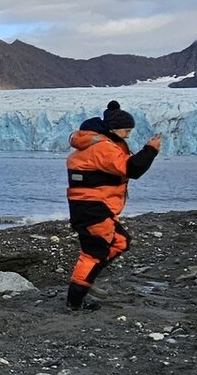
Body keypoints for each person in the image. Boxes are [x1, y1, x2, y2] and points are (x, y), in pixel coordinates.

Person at [65, 101, 162, 310]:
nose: (128, 135)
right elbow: (132, 169)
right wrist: (150, 150)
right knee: (93, 254)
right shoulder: (102, 148)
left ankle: (86, 281)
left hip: (93, 207)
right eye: (126, 130)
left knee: (120, 242)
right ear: (114, 128)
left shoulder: (95, 144)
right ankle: (74, 302)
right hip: (94, 207)